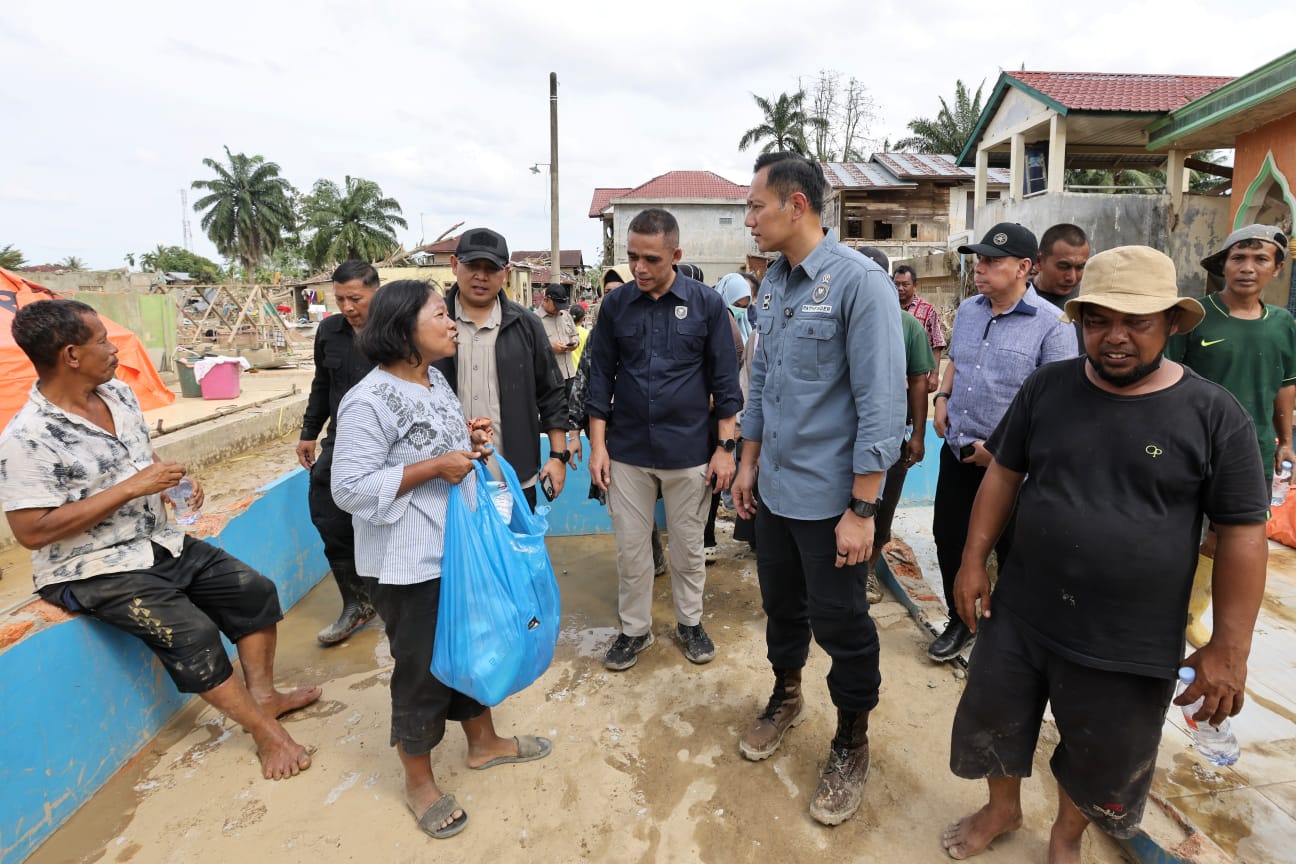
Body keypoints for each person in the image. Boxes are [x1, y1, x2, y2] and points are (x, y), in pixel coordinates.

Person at [942, 246, 1268, 863]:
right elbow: (1004, 475)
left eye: (1136, 322)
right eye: (1098, 321)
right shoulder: (1047, 388)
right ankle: (1002, 808)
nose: (1115, 337)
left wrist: (1231, 646)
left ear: (1171, 323)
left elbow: (1244, 535)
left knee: (1102, 753)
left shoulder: (1213, 415)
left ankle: (1066, 836)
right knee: (995, 716)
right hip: (1024, 609)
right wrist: (972, 560)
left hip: (1131, 636)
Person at [0, 299, 319, 781]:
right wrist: (132, 488)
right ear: (71, 355)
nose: (114, 350)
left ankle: (265, 697)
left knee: (253, 591)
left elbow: (137, 462)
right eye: (103, 342)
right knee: (193, 634)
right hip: (92, 567)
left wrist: (172, 484)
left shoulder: (119, 395)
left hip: (158, 541)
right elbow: (31, 531)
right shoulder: (27, 438)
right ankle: (265, 733)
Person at [330, 280, 552, 841]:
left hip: (455, 552)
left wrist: (470, 444)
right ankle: (419, 782)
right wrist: (433, 468)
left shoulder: (436, 381)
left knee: (472, 647)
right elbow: (349, 489)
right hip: (408, 565)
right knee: (422, 671)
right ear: (404, 330)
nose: (452, 323)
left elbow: (440, 451)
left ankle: (484, 743)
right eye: (439, 314)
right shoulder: (368, 401)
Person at [732, 153, 906, 827]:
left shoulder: (860, 284)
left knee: (842, 624)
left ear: (796, 205)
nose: (750, 220)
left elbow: (882, 405)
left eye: (756, 206)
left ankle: (851, 741)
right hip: (775, 491)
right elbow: (762, 384)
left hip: (832, 502)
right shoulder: (773, 283)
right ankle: (787, 695)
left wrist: (863, 509)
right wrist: (747, 463)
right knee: (781, 607)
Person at [586, 208, 743, 670]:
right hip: (628, 452)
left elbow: (726, 383)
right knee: (632, 551)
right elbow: (600, 379)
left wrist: (725, 449)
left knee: (689, 549)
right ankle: (635, 630)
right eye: (632, 256)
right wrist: (598, 447)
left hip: (689, 452)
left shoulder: (707, 305)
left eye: (651, 259)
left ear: (676, 255)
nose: (639, 268)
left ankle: (690, 623)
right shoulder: (615, 306)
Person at [929, 223, 1077, 663]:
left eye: (993, 262)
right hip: (959, 454)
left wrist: (1002, 450)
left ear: (1024, 268)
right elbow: (957, 361)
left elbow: (1057, 406)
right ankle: (961, 620)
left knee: (1013, 551)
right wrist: (942, 398)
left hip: (1012, 469)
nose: (981, 269)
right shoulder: (970, 311)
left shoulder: (1053, 326)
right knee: (949, 538)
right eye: (980, 260)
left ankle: (1004, 632)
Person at [1167, 223, 1293, 646]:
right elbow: (1168, 379)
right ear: (1223, 265)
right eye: (1238, 258)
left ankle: (1192, 612)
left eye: (1261, 259)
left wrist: (1285, 441)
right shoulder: (1194, 317)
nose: (1247, 268)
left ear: (1277, 269)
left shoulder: (1282, 323)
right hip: (1191, 447)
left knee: (1227, 538)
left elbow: (1285, 385)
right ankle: (1161, 607)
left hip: (1252, 450)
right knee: (1176, 529)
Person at [431, 228, 570, 512]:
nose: (481, 276)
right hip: (445, 480)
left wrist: (558, 457)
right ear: (455, 265)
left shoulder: (526, 325)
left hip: (513, 480)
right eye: (472, 266)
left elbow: (552, 393)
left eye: (491, 268)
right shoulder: (430, 324)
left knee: (516, 542)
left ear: (505, 273)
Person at [296, 261, 380, 646]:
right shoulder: (329, 331)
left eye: (355, 298)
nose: (347, 307)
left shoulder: (397, 328)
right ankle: (357, 602)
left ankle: (408, 600)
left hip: (391, 444)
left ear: (376, 291)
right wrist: (309, 432)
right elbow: (322, 383)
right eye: (340, 299)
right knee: (326, 507)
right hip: (343, 441)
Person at [855, 250, 935, 605]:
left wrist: (917, 434)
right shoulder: (841, 318)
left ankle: (867, 571)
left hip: (889, 434)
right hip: (841, 434)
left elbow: (918, 380)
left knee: (882, 508)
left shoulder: (908, 325)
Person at [893, 264, 945, 393]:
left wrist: (934, 375)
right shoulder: (887, 307)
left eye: (905, 284)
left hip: (917, 378)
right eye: (896, 284)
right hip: (892, 376)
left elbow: (937, 344)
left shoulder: (928, 310)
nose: (900, 288)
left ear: (915, 285)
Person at [1030, 223, 1090, 311]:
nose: (1072, 278)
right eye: (1063, 267)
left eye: (1080, 267)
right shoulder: (1014, 297)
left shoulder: (1090, 304)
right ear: (1039, 262)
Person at [538, 282, 581, 404]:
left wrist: (575, 342)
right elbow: (530, 348)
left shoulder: (566, 316)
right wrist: (550, 348)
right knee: (555, 411)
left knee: (572, 410)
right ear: (546, 299)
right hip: (550, 379)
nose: (559, 308)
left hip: (570, 374)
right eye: (556, 305)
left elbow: (575, 335)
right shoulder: (534, 319)